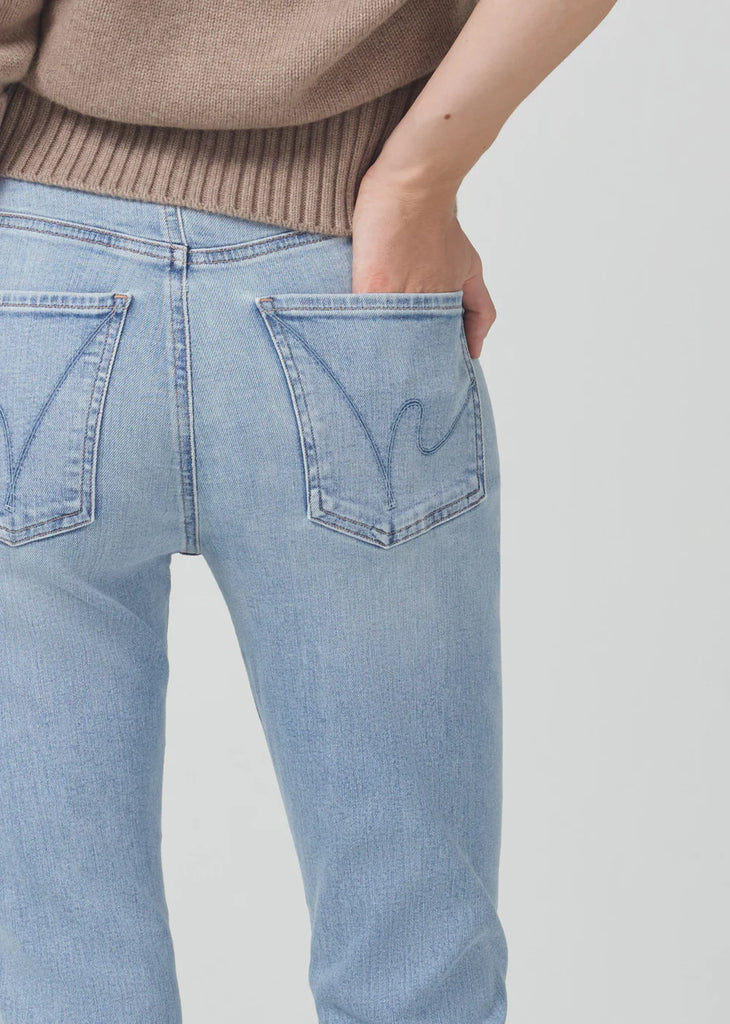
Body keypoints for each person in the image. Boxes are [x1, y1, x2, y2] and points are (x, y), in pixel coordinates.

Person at [0, 2, 618, 1022]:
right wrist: (417, 178)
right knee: (414, 960)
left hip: (37, 279)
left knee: (56, 969)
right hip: (349, 273)